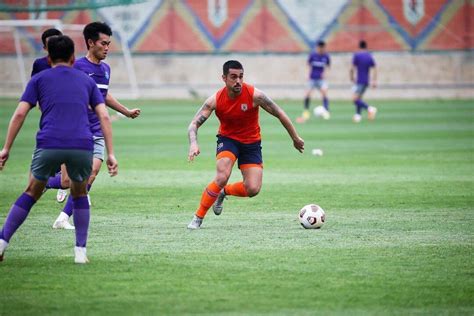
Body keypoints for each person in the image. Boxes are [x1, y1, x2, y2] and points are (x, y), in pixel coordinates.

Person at [0, 35, 118, 264]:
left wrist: (6, 148)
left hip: (49, 142)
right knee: (80, 192)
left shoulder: (39, 79)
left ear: (48, 56)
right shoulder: (86, 81)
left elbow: (20, 113)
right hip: (81, 144)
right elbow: (103, 115)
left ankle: (2, 243)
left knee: (31, 192)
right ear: (73, 57)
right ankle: (80, 253)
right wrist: (111, 153)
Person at [187, 60, 305, 229]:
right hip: (228, 140)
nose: (238, 81)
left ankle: (224, 192)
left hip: (251, 143)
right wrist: (193, 143)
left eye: (241, 77)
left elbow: (279, 113)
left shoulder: (255, 95)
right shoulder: (215, 100)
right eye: (233, 77)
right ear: (224, 78)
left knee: (253, 189)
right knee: (221, 176)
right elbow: (193, 124)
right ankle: (198, 217)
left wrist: (295, 138)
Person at [47, 22, 140, 230]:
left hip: (96, 131)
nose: (107, 48)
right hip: (74, 130)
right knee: (65, 182)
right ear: (90, 43)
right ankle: (45, 182)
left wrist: (125, 111)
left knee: (91, 173)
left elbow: (103, 96)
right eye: (103, 43)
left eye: (109, 44)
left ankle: (63, 218)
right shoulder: (77, 67)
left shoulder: (106, 69)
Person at [31, 28, 69, 204]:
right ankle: (55, 182)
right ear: (45, 47)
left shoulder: (71, 65)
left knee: (71, 175)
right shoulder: (40, 65)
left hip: (70, 120)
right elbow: (34, 92)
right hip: (49, 120)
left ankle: (63, 183)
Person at [296, 40, 331, 123]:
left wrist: (325, 74)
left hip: (321, 79)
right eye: (320, 48)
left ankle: (326, 112)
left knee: (324, 93)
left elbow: (328, 67)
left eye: (323, 48)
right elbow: (308, 64)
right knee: (307, 94)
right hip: (312, 78)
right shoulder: (313, 55)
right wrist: (308, 74)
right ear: (318, 47)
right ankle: (306, 112)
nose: (321, 49)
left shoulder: (326, 56)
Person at [350, 40, 377, 123]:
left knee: (354, 99)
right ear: (366, 46)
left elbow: (352, 68)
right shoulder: (369, 56)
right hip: (366, 81)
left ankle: (370, 109)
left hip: (360, 80)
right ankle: (358, 116)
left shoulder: (357, 55)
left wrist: (351, 77)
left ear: (359, 46)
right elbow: (375, 68)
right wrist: (374, 80)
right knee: (359, 98)